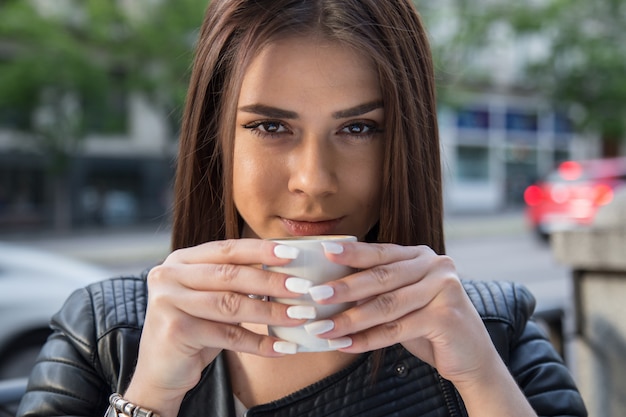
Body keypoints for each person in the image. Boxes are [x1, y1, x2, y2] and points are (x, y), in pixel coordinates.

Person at [17, 0, 587, 416]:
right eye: (270, 126)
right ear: (216, 139)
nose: (313, 182)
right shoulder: (106, 334)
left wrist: (481, 380)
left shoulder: (495, 331)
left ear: (406, 143)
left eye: (359, 128)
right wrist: (150, 398)